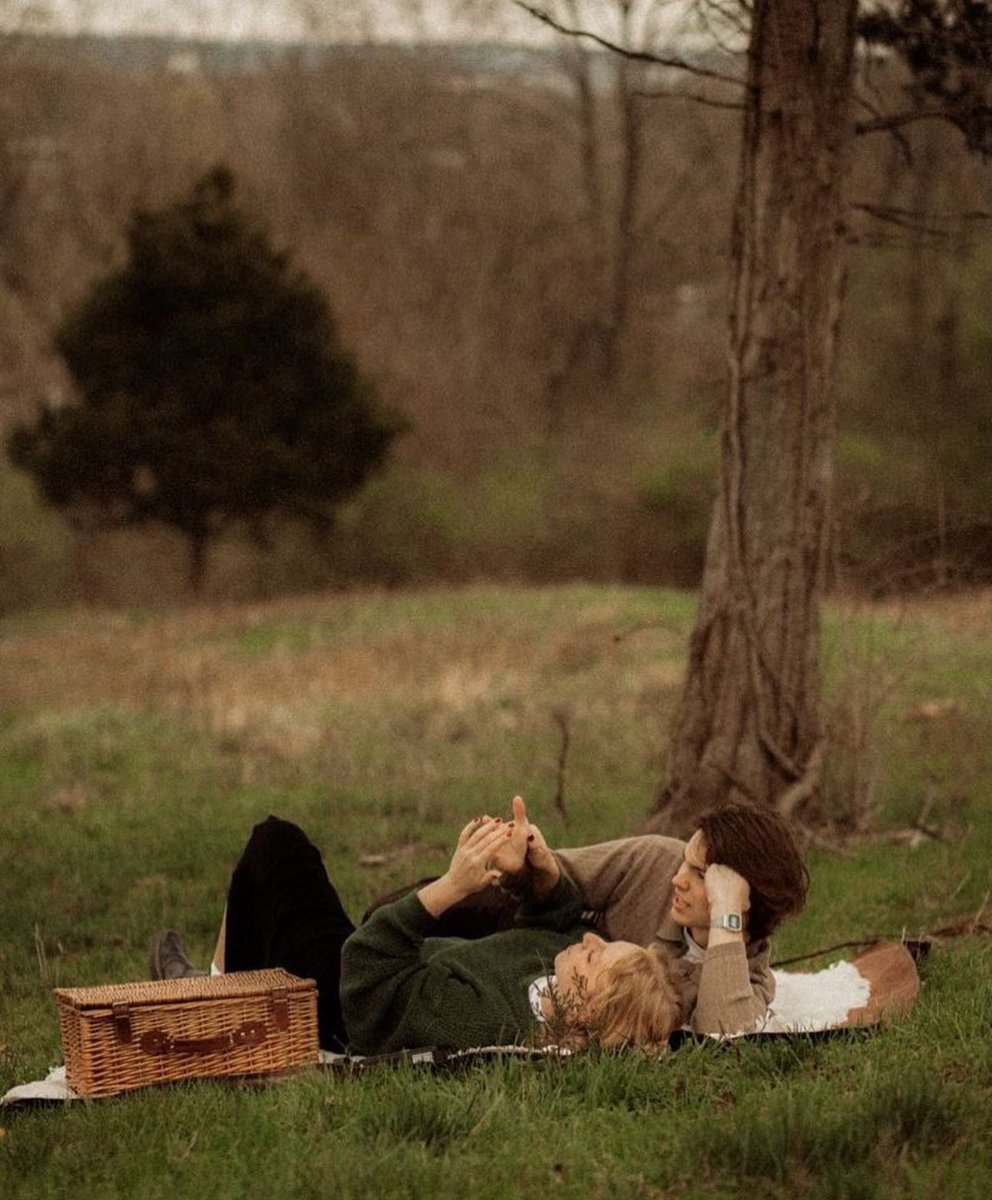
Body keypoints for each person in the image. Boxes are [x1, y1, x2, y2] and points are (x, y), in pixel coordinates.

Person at [150, 813, 684, 1057]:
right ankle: (215, 982)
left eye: (595, 960)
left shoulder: (483, 1020)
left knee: (277, 847)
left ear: (584, 1009)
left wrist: (453, 887)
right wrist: (540, 871)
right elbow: (559, 922)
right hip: (381, 966)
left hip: (347, 998)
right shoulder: (556, 978)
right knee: (275, 860)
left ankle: (207, 991)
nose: (590, 941)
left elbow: (368, 966)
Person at [366, 798, 810, 1037]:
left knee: (407, 976)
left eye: (699, 875)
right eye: (685, 861)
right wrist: (528, 861)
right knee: (387, 918)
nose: (678, 878)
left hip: (543, 993)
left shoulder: (745, 980)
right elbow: (562, 878)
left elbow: (725, 1035)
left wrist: (726, 923)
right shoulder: (656, 861)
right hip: (538, 931)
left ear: (738, 897)